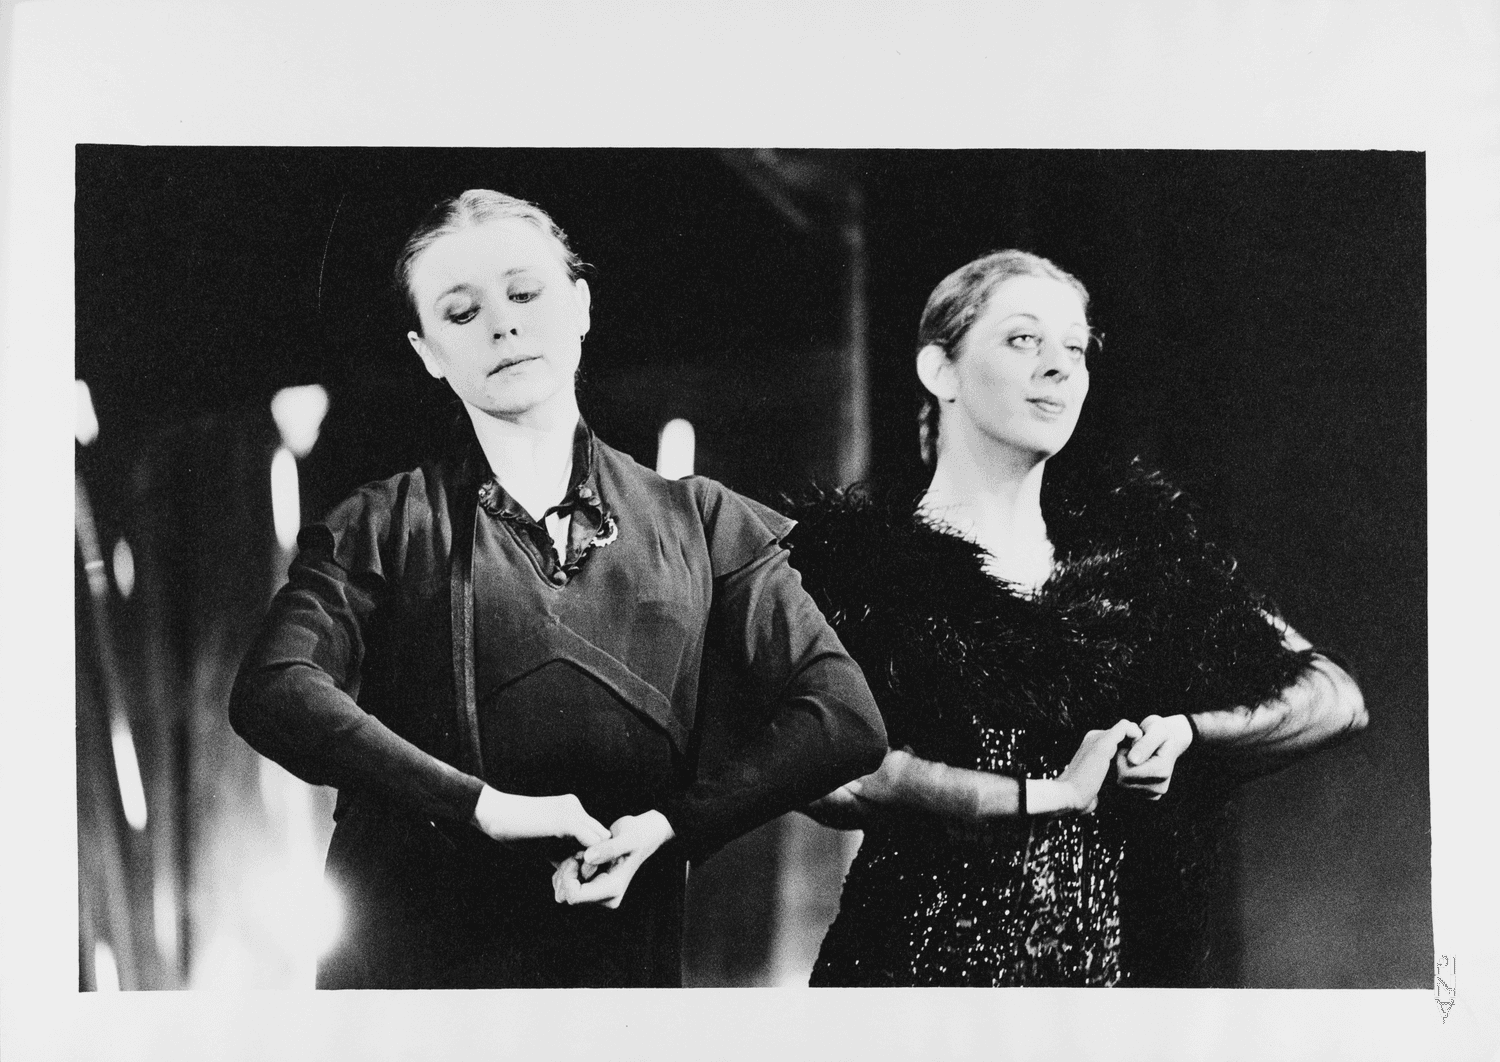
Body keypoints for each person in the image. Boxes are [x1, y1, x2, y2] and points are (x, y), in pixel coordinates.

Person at [229, 189, 887, 988]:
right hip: (411, 976)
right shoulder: (380, 522)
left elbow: (843, 718)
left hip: (616, 968)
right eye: (461, 313)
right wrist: (485, 807)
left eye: (525, 292)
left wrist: (670, 830)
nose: (502, 324)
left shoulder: (705, 521)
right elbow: (274, 688)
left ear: (579, 305)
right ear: (427, 351)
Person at [790, 249, 1367, 987]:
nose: (1059, 368)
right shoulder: (854, 567)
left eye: (1075, 347)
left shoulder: (1141, 561)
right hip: (914, 982)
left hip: (1115, 989)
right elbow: (820, 776)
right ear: (941, 371)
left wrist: (1187, 736)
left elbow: (1335, 699)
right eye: (1023, 339)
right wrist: (1025, 794)